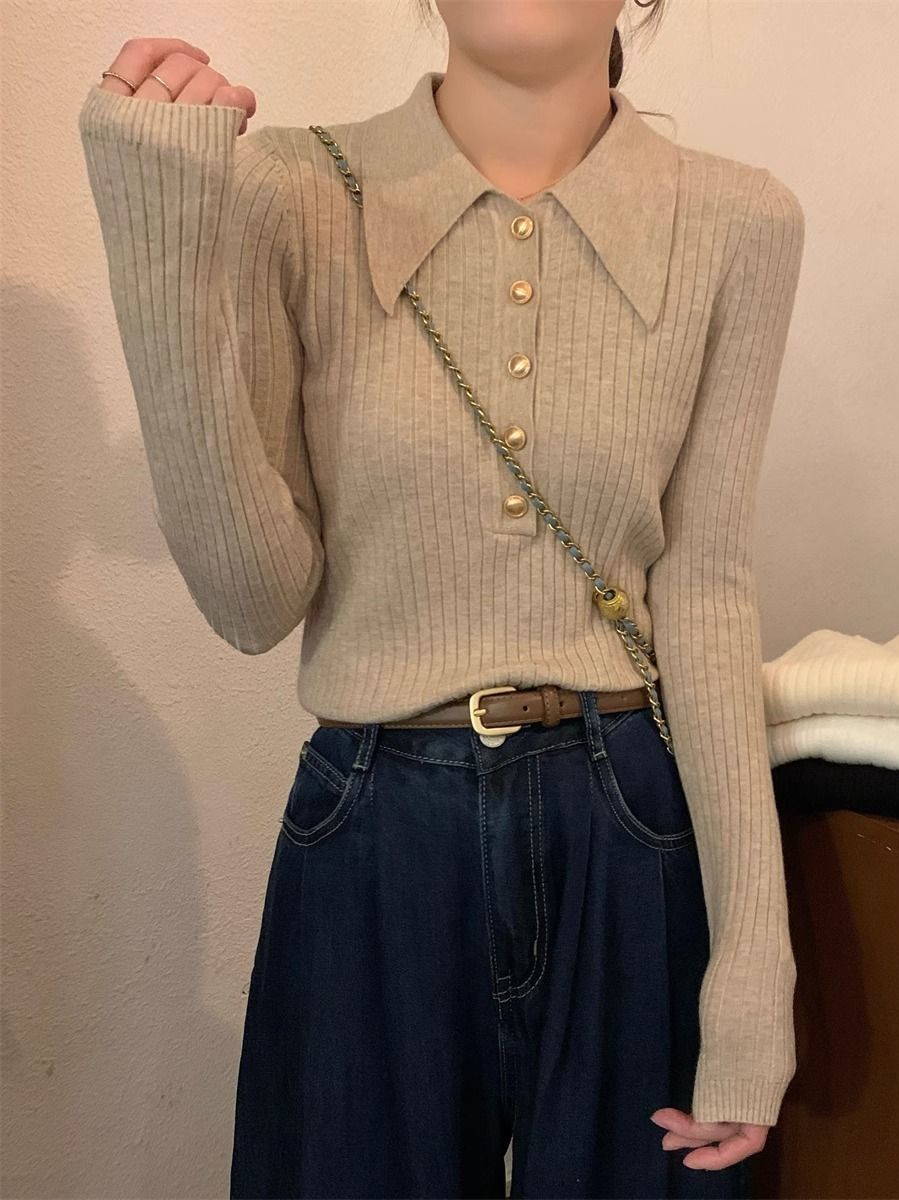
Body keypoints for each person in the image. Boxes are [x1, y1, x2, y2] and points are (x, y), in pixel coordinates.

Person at [77, 2, 806, 1195]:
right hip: (372, 826)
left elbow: (708, 590)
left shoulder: (741, 221)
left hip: (628, 829)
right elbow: (253, 602)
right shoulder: (289, 192)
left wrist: (754, 970)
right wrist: (159, 243)